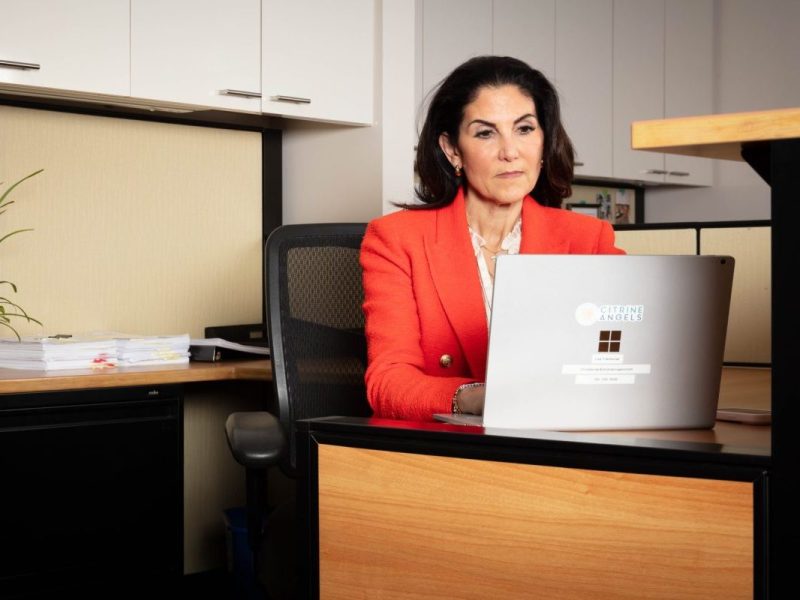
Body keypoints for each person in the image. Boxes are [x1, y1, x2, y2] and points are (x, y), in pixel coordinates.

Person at [360, 56, 624, 421]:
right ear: (453, 149)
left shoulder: (588, 239)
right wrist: (477, 397)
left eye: (525, 129)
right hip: (449, 449)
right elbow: (387, 383)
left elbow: (626, 355)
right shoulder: (396, 240)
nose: (510, 151)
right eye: (486, 133)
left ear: (544, 140)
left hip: (561, 436)